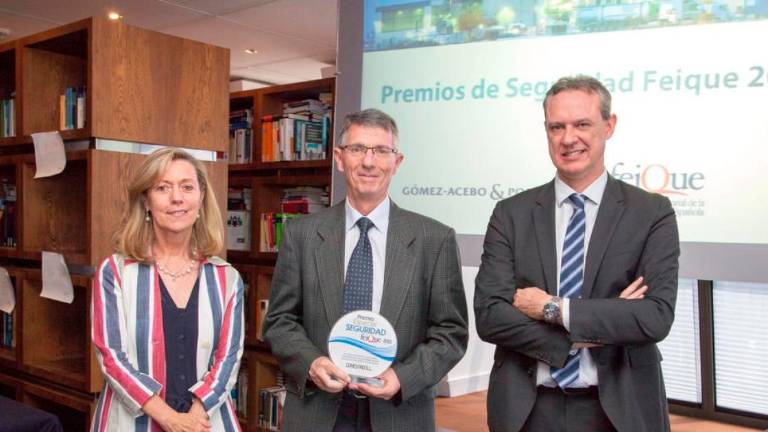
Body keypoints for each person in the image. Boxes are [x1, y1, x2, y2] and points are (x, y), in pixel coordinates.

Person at [474, 75, 679, 432]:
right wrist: (598, 323)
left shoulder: (651, 212)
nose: (569, 138)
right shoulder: (511, 213)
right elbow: (491, 316)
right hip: (527, 410)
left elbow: (653, 317)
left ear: (609, 125)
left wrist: (552, 308)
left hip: (620, 410)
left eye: (582, 124)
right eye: (557, 127)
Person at [263, 108, 468, 432]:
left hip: (399, 412)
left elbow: (450, 333)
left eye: (381, 151)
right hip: (318, 411)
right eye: (357, 149)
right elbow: (279, 321)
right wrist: (312, 363)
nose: (369, 162)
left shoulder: (434, 238)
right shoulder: (301, 234)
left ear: (396, 162)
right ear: (339, 158)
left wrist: (402, 377)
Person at [91, 147, 244, 432]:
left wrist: (194, 418)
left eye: (187, 187)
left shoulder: (227, 278)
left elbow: (228, 359)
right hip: (131, 423)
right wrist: (171, 420)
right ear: (146, 201)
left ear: (201, 199)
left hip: (206, 422)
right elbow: (112, 358)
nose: (177, 198)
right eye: (162, 188)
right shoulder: (115, 272)